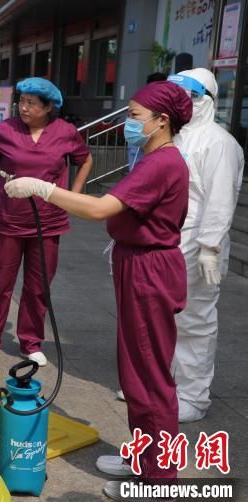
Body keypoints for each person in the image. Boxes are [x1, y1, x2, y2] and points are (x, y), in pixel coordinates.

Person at [4, 80, 192, 500]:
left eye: (133, 116)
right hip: (137, 263)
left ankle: (159, 478)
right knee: (135, 369)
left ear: (162, 121)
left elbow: (100, 208)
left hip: (150, 270)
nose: (127, 122)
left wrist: (43, 188)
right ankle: (144, 454)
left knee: (148, 376)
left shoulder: (163, 162)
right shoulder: (151, 155)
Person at [0, 77, 93, 364]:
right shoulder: (6, 129)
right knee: (0, 282)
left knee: (39, 285)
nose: (23, 108)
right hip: (8, 221)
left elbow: (84, 159)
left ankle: (31, 340)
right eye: (21, 102)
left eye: (31, 103)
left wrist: (72, 195)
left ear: (49, 107)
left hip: (48, 222)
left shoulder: (65, 132)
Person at [168, 68, 245, 423]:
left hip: (198, 245)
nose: (182, 103)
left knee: (195, 322)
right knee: (163, 319)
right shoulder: (176, 136)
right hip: (168, 241)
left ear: (206, 101)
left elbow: (220, 199)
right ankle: (164, 386)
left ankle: (193, 395)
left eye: (189, 96)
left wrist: (210, 247)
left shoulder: (219, 142)